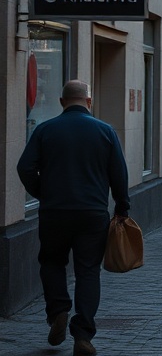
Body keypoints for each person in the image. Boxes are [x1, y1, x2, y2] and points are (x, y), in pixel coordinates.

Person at [16, 79, 130, 356]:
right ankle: (83, 335)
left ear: (61, 102)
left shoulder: (45, 130)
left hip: (55, 211)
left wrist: (43, 193)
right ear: (89, 101)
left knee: (52, 261)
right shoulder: (105, 131)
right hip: (92, 213)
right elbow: (119, 173)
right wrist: (122, 207)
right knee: (88, 271)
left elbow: (24, 167)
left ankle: (58, 310)